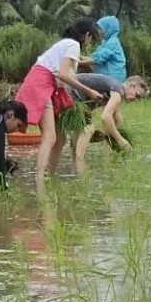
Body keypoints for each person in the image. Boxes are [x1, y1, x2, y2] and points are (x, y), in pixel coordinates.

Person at [14, 17, 103, 190]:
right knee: (51, 137)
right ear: (85, 35)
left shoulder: (65, 45)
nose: (90, 41)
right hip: (40, 85)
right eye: (91, 37)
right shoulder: (73, 45)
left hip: (45, 86)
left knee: (60, 138)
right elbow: (63, 75)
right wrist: (89, 92)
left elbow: (60, 75)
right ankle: (39, 178)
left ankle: (50, 175)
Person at [71, 73, 149, 172]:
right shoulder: (118, 90)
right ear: (132, 85)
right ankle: (82, 180)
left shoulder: (115, 88)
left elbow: (117, 119)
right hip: (72, 93)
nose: (136, 99)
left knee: (76, 142)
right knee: (89, 129)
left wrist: (105, 136)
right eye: (137, 95)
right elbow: (105, 117)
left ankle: (76, 173)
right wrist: (121, 141)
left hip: (70, 94)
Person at [81, 15, 126, 81]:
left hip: (112, 80)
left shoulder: (112, 43)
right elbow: (93, 58)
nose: (99, 31)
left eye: (101, 29)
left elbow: (95, 60)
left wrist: (77, 62)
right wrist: (78, 57)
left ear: (109, 29)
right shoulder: (106, 42)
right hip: (106, 78)